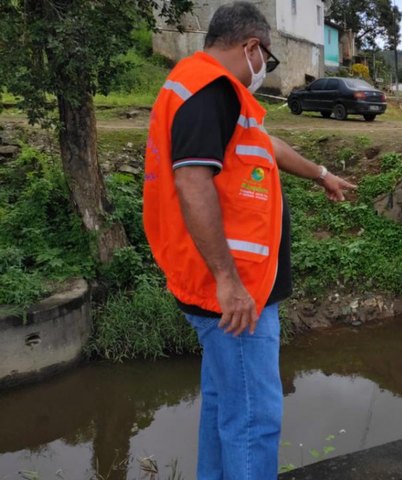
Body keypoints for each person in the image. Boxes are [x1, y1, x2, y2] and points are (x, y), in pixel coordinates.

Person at [142, 2, 355, 478]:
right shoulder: (210, 91)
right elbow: (192, 182)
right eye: (267, 60)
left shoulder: (209, 90)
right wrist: (228, 281)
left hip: (228, 287)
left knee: (224, 404)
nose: (264, 70)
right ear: (251, 47)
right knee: (254, 418)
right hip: (235, 296)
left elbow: (266, 145)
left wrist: (321, 174)